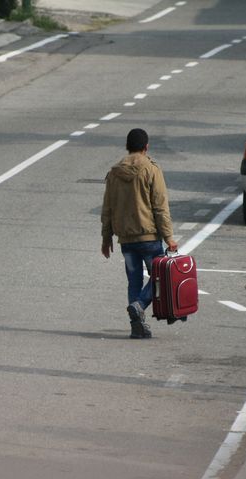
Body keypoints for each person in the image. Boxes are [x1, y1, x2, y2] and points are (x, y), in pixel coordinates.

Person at [101, 129, 177, 339]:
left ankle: (137, 326)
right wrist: (169, 237)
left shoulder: (115, 172)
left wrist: (106, 238)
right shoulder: (151, 170)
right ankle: (140, 304)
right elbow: (160, 207)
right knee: (161, 277)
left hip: (126, 240)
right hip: (149, 238)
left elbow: (107, 207)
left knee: (133, 281)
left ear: (127, 146)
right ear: (146, 147)